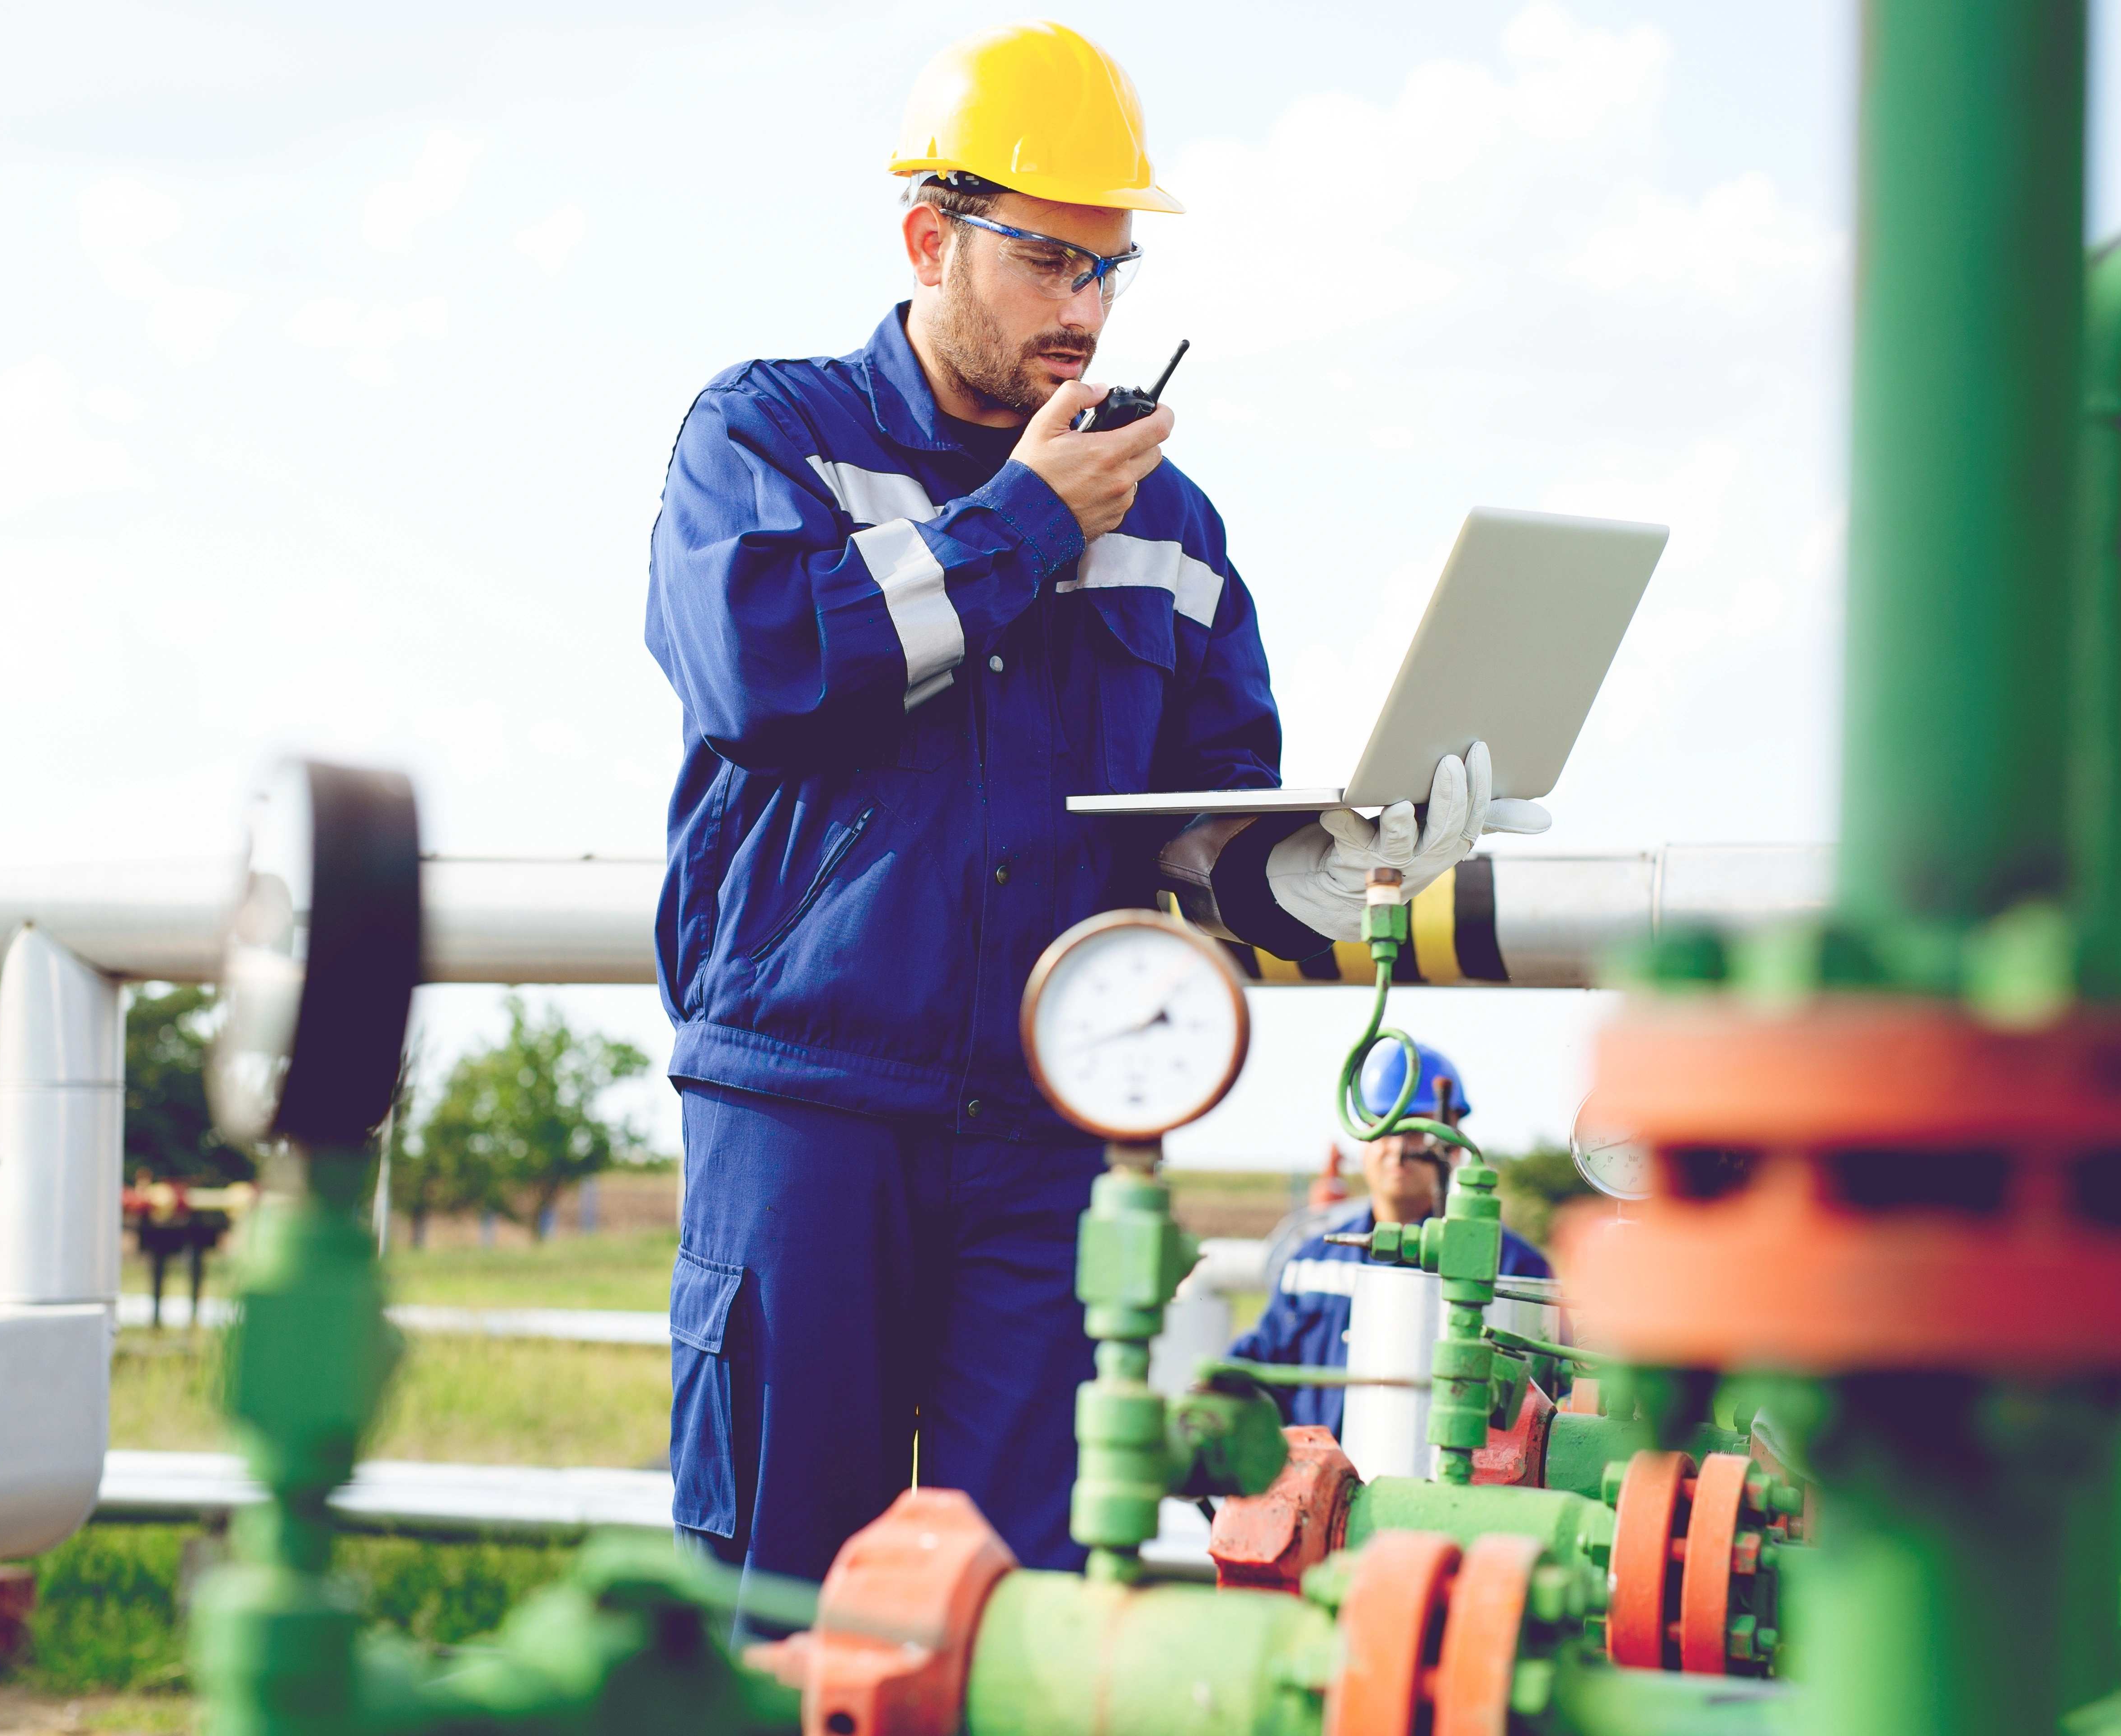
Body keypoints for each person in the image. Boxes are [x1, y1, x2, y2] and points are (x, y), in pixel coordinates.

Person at [643, 20, 1549, 1583]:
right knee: (785, 1591)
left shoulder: (1171, 519)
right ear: (929, 237)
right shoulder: (769, 434)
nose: (1089, 309)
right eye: (1052, 262)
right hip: (810, 1109)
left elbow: (1199, 824)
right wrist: (1022, 523)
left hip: (1059, 1128)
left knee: (1037, 1610)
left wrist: (1337, 863)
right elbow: (765, 673)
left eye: (1111, 269)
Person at [1232, 1045, 1551, 1436]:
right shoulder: (1314, 1259)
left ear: (1453, 1140)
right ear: (1362, 1138)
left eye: (1417, 1127)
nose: (1399, 1147)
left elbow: (1544, 1401)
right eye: (1384, 1124)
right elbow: (1264, 1362)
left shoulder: (1514, 1267)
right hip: (1317, 1487)